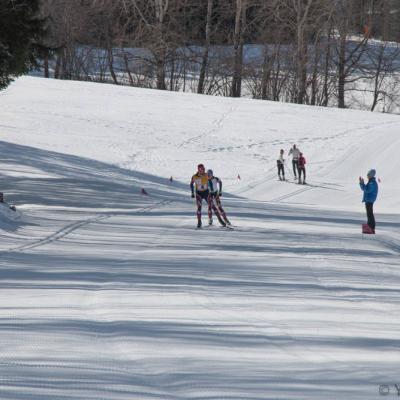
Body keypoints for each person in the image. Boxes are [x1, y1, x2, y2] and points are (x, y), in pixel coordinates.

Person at [359, 169, 378, 234]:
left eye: (368, 175)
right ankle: (370, 227)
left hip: (369, 200)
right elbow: (365, 189)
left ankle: (371, 228)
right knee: (369, 214)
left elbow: (367, 190)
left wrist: (362, 184)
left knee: (370, 214)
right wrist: (362, 183)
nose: (367, 176)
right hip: (369, 200)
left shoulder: (372, 183)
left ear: (371, 175)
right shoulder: (371, 182)